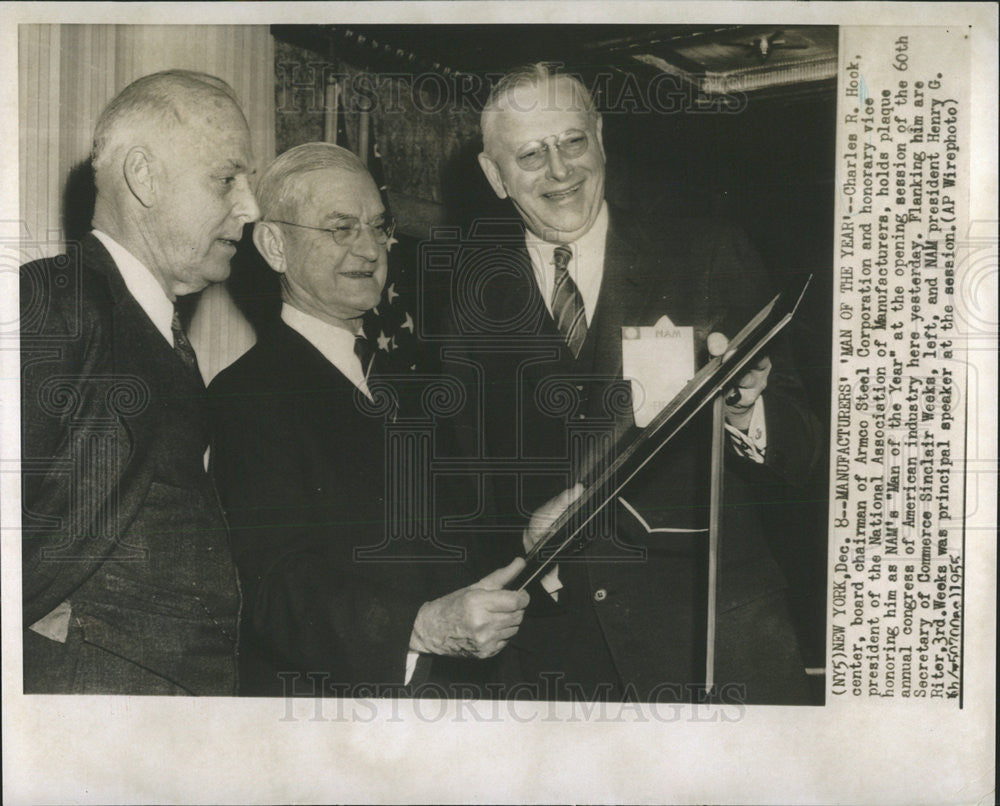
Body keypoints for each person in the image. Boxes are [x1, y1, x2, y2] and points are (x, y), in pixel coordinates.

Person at [439, 63, 824, 703]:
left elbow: (806, 455)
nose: (560, 171)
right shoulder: (461, 305)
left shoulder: (705, 253)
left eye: (573, 142)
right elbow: (461, 491)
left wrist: (743, 412)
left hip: (718, 645)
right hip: (564, 661)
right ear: (494, 176)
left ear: (602, 138)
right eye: (531, 155)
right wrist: (525, 537)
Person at [207, 142, 528, 697]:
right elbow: (272, 584)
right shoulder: (248, 395)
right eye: (340, 228)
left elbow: (458, 545)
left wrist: (532, 541)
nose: (371, 249)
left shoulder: (418, 380)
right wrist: (419, 629)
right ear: (275, 244)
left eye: (378, 227)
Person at [20, 69, 261, 694]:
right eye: (226, 178)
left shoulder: (159, 329)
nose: (251, 208)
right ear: (144, 177)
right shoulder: (55, 300)